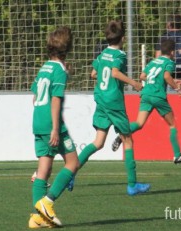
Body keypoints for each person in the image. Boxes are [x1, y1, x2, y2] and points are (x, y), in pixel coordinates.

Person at [68, 20, 150, 196]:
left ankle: (70, 173)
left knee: (98, 142)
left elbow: (93, 74)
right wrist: (134, 83)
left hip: (101, 100)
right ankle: (132, 184)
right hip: (114, 102)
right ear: (123, 38)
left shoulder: (102, 54)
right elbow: (114, 72)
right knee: (128, 139)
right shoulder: (120, 55)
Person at [28, 26, 80, 228]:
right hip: (52, 122)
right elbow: (56, 100)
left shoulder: (45, 68)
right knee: (73, 163)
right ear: (68, 48)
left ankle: (37, 218)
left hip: (38, 120)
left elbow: (35, 98)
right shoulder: (59, 70)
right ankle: (47, 203)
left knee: (44, 170)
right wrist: (56, 129)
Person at [111, 39, 181, 164]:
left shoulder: (153, 62)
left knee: (139, 123)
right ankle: (177, 155)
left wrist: (153, 80)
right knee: (172, 124)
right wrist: (176, 88)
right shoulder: (169, 62)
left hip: (146, 94)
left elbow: (142, 76)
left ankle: (122, 133)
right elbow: (166, 76)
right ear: (172, 52)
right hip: (158, 95)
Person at [155, 15, 181, 90]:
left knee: (169, 100)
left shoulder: (164, 38)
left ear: (169, 25)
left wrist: (170, 79)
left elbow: (158, 60)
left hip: (168, 77)